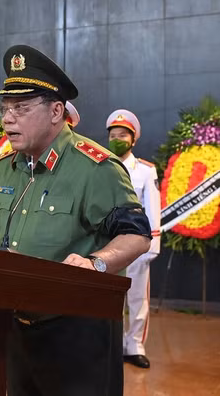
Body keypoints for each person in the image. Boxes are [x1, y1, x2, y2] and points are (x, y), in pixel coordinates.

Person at [0, 45, 151, 396]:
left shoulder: (95, 168)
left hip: (77, 334)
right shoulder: (8, 167)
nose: (8, 119)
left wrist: (96, 264)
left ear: (56, 111)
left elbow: (137, 235)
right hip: (16, 326)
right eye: (5, 108)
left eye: (21, 108)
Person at [106, 109, 161, 369]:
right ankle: (114, 344)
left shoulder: (145, 171)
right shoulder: (102, 167)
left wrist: (153, 246)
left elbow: (153, 208)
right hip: (108, 244)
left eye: (122, 135)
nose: (117, 140)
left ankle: (135, 345)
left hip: (138, 243)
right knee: (111, 296)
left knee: (138, 297)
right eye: (113, 135)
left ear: (133, 140)